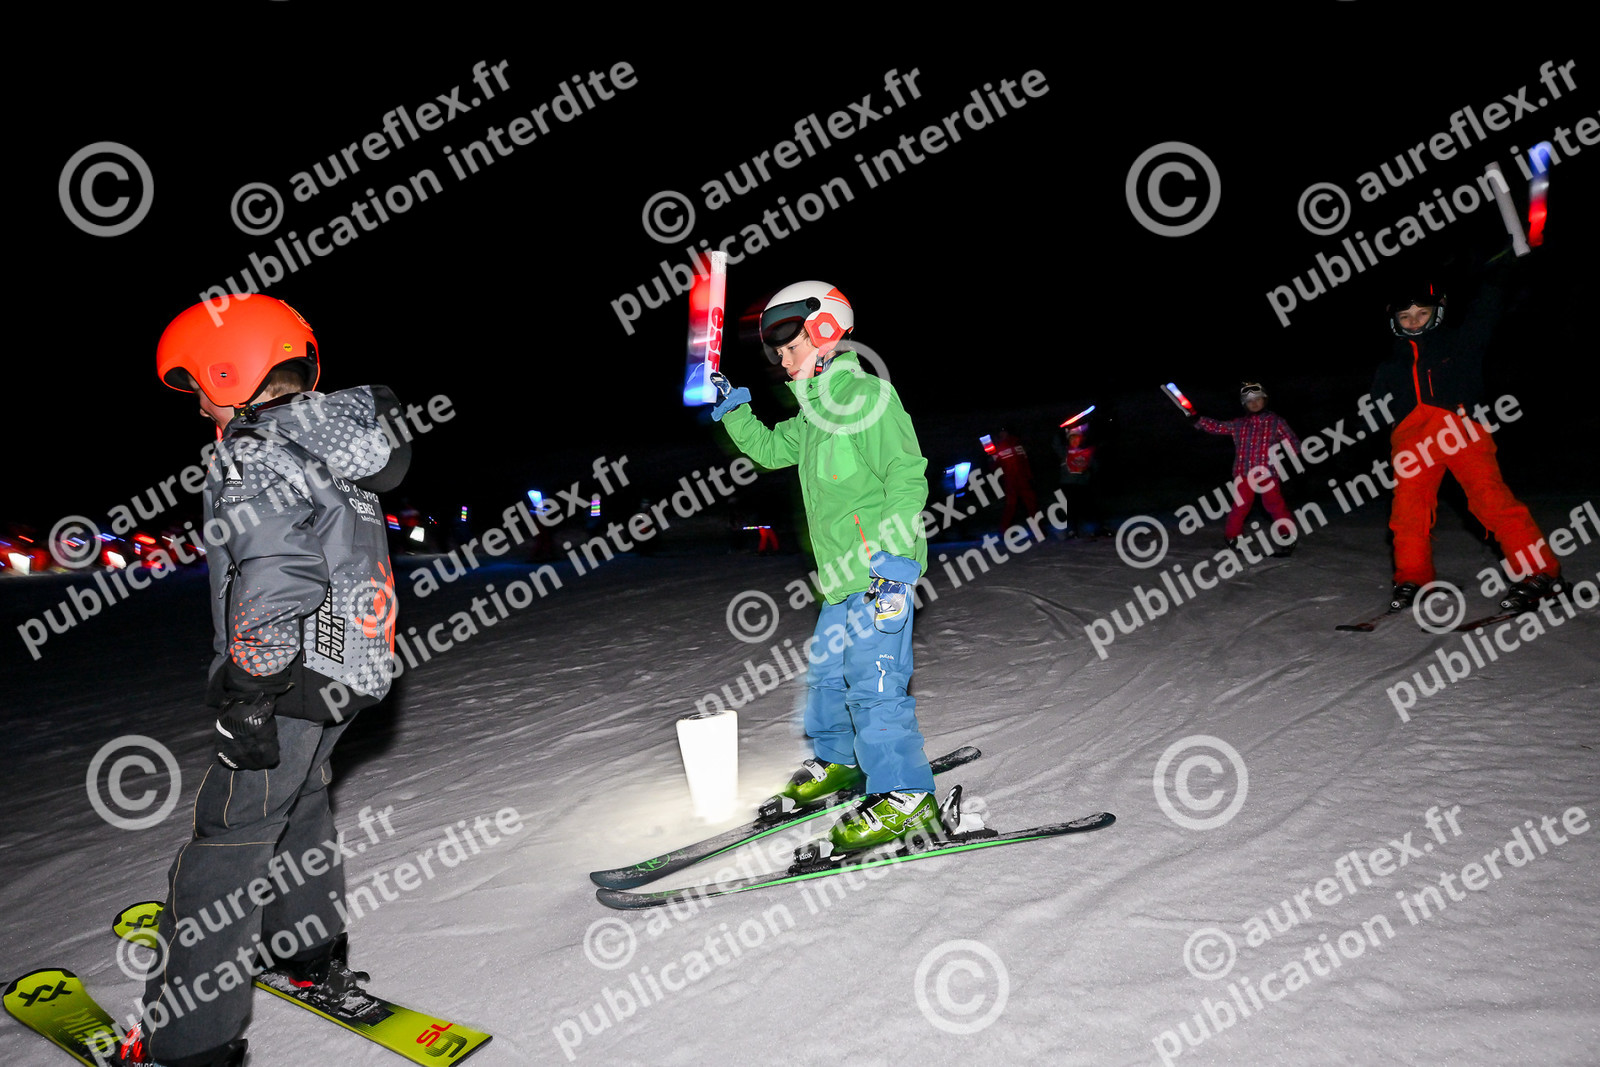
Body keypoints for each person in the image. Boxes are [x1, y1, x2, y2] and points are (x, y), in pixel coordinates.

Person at [120, 295, 409, 1067]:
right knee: (301, 798)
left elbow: (278, 576)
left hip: (286, 675)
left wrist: (250, 685)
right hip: (352, 668)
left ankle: (190, 1043)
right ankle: (306, 948)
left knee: (226, 844)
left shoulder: (255, 452)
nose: (198, 404)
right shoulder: (331, 443)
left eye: (200, 386)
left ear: (232, 372)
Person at [709, 280, 938, 856]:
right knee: (827, 679)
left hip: (881, 574)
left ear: (826, 333)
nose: (782, 361)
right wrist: (735, 410)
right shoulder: (813, 416)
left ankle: (908, 794)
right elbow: (769, 449)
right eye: (777, 352)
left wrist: (896, 563)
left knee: (875, 685)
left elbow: (905, 475)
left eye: (790, 348)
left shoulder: (867, 398)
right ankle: (840, 762)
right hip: (840, 583)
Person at [1372, 267, 1563, 612]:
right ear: (1394, 320)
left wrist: (1500, 271)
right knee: (1407, 512)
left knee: (1490, 499)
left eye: (1422, 313)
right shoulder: (1390, 363)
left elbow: (1485, 310)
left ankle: (1538, 572)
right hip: (1411, 440)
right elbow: (1376, 404)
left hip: (1461, 430)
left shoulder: (1460, 342)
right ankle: (1413, 577)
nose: (1414, 322)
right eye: (1405, 316)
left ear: (1438, 311)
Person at [1191, 383, 1301, 554]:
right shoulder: (1239, 424)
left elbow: (1292, 439)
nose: (1254, 403)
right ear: (1244, 405)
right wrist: (1198, 420)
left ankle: (1287, 534)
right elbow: (1218, 427)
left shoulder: (1276, 422)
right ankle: (1233, 536)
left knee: (1274, 504)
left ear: (1265, 400)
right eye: (1249, 401)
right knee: (1241, 506)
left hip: (1268, 472)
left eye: (1257, 399)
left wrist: (1297, 454)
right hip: (1243, 473)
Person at [1055, 423, 1099, 537]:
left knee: (1087, 507)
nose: (1074, 440)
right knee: (1070, 508)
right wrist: (1059, 431)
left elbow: (1095, 466)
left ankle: (1093, 529)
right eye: (1072, 438)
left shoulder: (1086, 452)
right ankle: (1072, 530)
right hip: (1068, 484)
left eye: (1077, 438)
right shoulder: (1064, 452)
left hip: (1082, 484)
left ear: (1080, 439)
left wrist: (1090, 473)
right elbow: (1055, 444)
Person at [990, 427, 1038, 533]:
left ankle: (1037, 530)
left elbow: (1026, 462)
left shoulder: (1016, 444)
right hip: (1011, 482)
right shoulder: (1000, 447)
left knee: (1031, 504)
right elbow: (994, 466)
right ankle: (1004, 531)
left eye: (1003, 432)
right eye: (1001, 432)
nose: (1002, 434)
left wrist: (1030, 477)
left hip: (1022, 480)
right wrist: (991, 456)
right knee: (1012, 506)